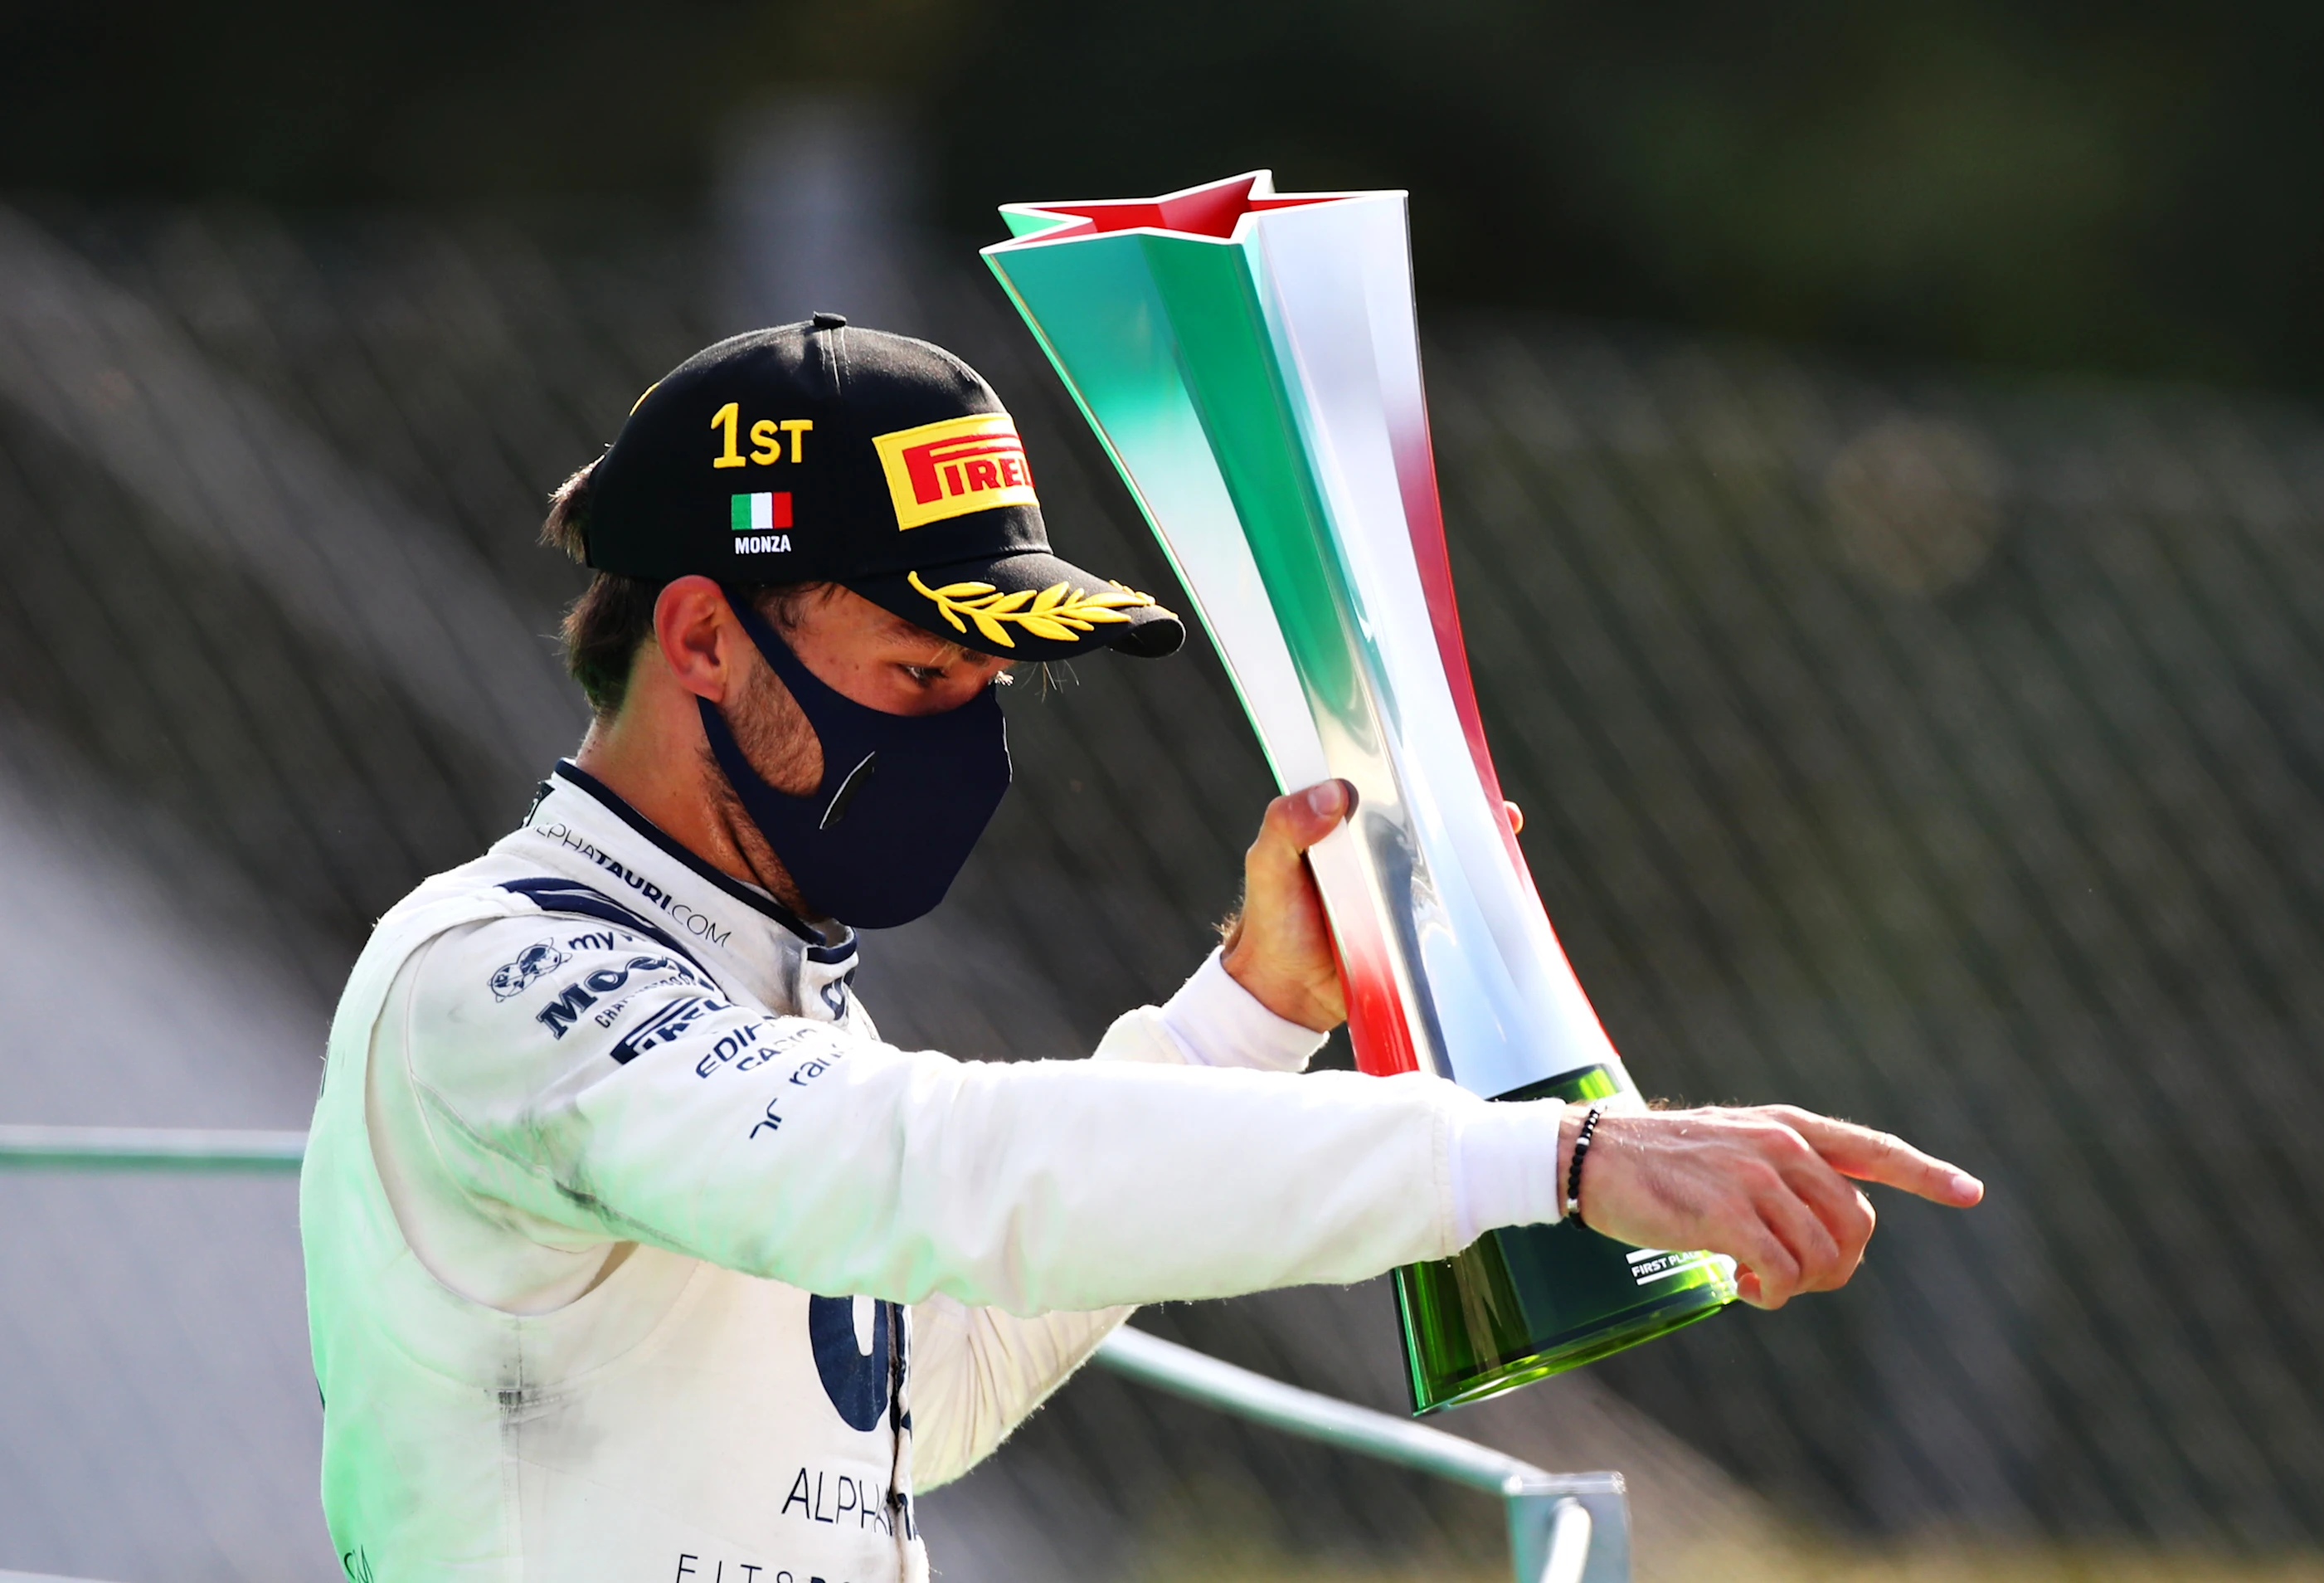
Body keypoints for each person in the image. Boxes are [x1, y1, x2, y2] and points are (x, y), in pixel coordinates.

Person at [298, 314, 1983, 1582]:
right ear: (700, 639)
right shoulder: (494, 982)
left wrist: (1255, 1015)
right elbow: (937, 1179)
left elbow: (909, 1399)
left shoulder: (764, 993)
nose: (967, 739)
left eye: (990, 688)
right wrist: (1554, 1159)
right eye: (915, 673)